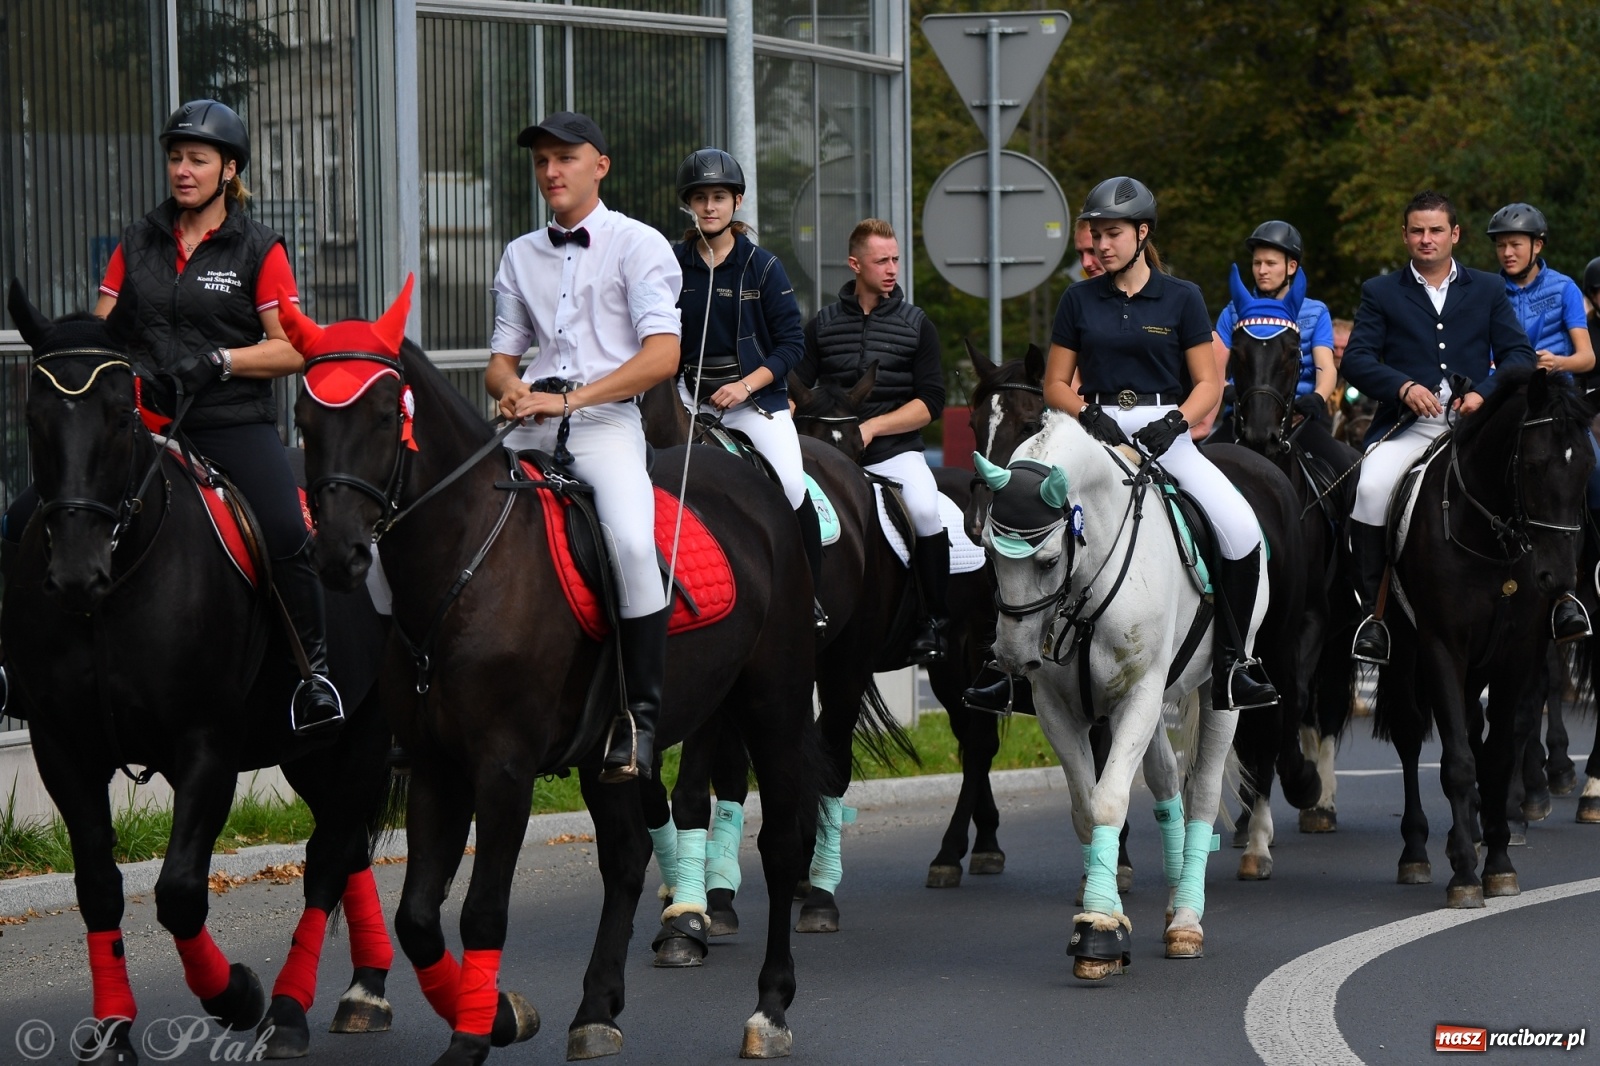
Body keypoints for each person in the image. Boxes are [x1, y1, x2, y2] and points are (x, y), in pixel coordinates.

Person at [0, 99, 342, 734]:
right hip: (144, 423)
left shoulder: (259, 247)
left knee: (283, 530)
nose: (183, 170)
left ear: (229, 169)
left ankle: (313, 679)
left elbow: (294, 346)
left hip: (230, 422)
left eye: (198, 159)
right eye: (175, 157)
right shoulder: (136, 240)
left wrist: (220, 361)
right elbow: (104, 331)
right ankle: (6, 667)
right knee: (22, 519)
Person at [486, 111, 681, 783]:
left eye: (564, 158)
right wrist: (511, 387)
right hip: (530, 420)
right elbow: (499, 361)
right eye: (541, 160)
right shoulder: (519, 254)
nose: (550, 171)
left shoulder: (641, 245)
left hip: (603, 424)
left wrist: (569, 400)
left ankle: (640, 718)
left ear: (600, 165)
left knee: (630, 540)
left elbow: (662, 357)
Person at [1042, 176, 1276, 710]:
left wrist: (1174, 423)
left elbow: (1208, 384)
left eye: (1112, 234)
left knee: (1240, 530)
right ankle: (1011, 660)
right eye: (1095, 234)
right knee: (1028, 512)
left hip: (1165, 433)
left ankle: (1235, 662)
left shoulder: (1183, 297)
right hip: (1093, 432)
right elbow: (1055, 383)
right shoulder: (1077, 299)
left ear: (1142, 233)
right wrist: (1088, 414)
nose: (1101, 245)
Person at [1342, 191, 1536, 664]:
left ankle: (1551, 600)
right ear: (1405, 234)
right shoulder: (1381, 291)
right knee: (1369, 488)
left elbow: (1520, 356)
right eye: (1416, 230)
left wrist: (1485, 393)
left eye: (1435, 230)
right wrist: (1403, 386)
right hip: (1408, 427)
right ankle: (1373, 616)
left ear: (1454, 235)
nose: (1425, 239)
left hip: (1475, 428)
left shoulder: (1488, 288)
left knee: (1540, 480)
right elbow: (1357, 360)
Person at [671, 147, 824, 630]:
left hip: (755, 404)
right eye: (700, 198)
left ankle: (810, 595)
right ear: (689, 205)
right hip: (686, 399)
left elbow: (791, 344)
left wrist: (744, 386)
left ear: (737, 202)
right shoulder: (672, 264)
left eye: (719, 196)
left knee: (794, 486)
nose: (710, 206)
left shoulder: (764, 266)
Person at [795, 219, 948, 662]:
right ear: (854, 264)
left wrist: (874, 427)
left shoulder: (918, 324)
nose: (892, 268)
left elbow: (931, 401)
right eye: (882, 260)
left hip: (893, 455)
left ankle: (933, 622)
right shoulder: (821, 324)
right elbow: (796, 390)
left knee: (923, 509)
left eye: (896, 259)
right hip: (826, 458)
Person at [1490, 202, 1596, 641]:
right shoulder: (1488, 291)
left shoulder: (1566, 287)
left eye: (1515, 244)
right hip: (1508, 403)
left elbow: (1587, 357)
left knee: (1594, 475)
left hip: (1558, 403)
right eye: (1501, 246)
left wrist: (1559, 362)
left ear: (1538, 245)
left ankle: (1578, 592)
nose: (1507, 252)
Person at [1211, 221, 1350, 474]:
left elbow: (1326, 367)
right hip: (1240, 421)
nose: (1262, 270)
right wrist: (1227, 389)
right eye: (1257, 263)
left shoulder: (1316, 312)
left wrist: (1318, 397)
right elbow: (1213, 369)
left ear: (1291, 267)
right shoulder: (1232, 312)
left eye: (1271, 263)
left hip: (1298, 420)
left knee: (1349, 474)